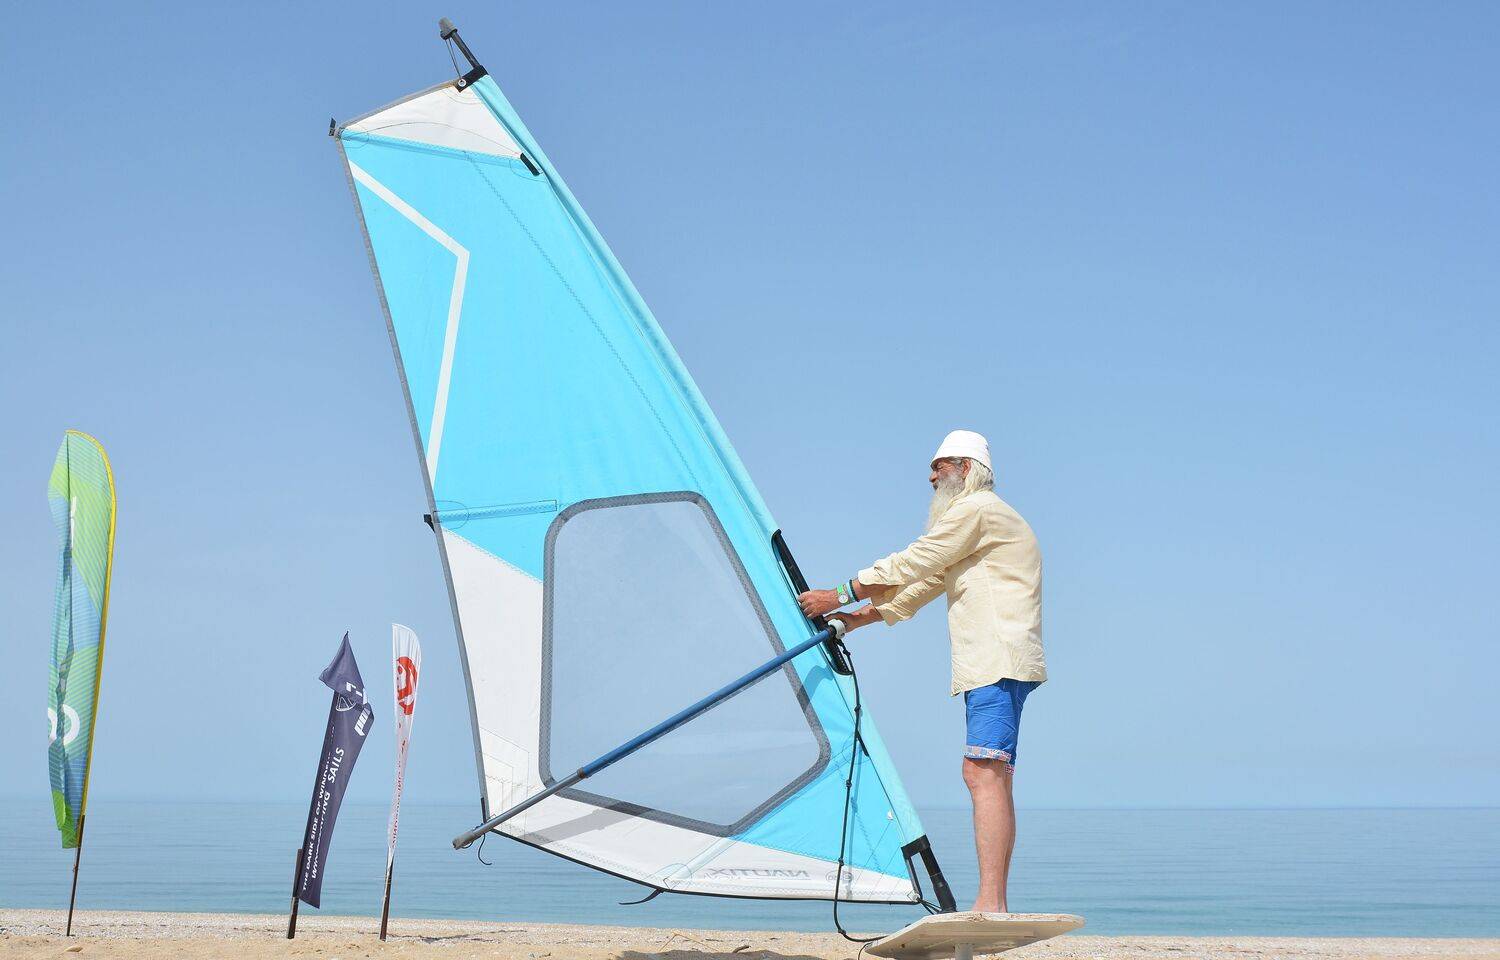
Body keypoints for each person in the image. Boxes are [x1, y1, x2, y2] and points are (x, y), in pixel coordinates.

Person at [797, 429, 1046, 913]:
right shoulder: (981, 521)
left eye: (940, 466)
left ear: (967, 468)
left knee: (982, 772)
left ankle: (991, 905)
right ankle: (994, 902)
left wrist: (838, 594)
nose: (931, 477)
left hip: (996, 660)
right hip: (999, 662)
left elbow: (916, 561)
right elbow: (926, 582)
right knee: (992, 775)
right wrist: (855, 619)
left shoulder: (977, 510)